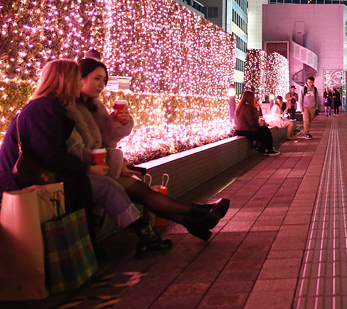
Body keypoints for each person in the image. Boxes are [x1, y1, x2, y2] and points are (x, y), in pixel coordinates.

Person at [0, 59, 172, 255]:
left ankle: (137, 236)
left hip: (41, 175)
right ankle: (141, 236)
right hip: (20, 181)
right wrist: (87, 169)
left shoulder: (51, 107)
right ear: (65, 81)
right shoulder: (44, 109)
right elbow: (51, 155)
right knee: (105, 186)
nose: (80, 84)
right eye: (77, 80)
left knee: (104, 186)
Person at [71, 58, 230, 242]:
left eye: (104, 80)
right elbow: (76, 152)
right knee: (143, 192)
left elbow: (107, 141)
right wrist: (113, 163)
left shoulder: (95, 105)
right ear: (80, 78)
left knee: (143, 190)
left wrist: (118, 122)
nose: (102, 85)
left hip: (105, 168)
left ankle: (193, 220)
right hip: (89, 173)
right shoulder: (70, 108)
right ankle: (197, 212)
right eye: (97, 79)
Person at [233, 91, 281, 156]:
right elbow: (252, 123)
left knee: (264, 130)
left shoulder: (240, 107)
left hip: (239, 130)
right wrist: (258, 124)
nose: (255, 99)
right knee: (266, 131)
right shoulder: (248, 108)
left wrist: (258, 110)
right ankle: (268, 149)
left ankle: (263, 148)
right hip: (245, 131)